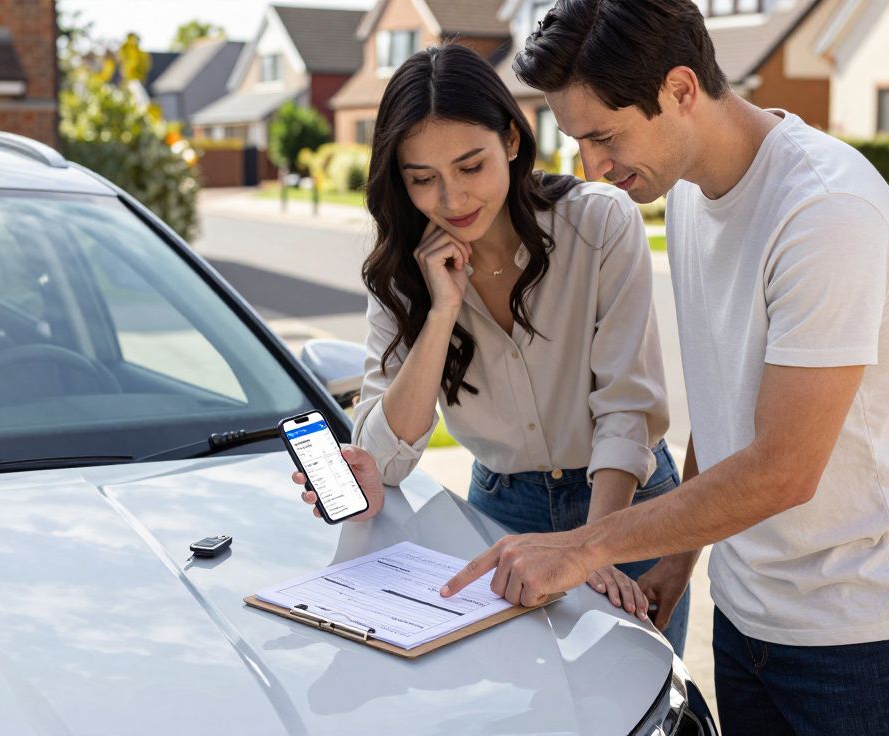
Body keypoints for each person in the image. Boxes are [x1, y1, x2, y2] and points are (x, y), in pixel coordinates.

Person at [345, 2, 889, 734]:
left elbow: (783, 469)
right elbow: (729, 405)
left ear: (679, 90)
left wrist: (586, 546)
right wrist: (681, 557)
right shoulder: (693, 200)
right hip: (749, 613)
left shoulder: (824, 211)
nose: (592, 167)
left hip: (862, 630)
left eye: (604, 136)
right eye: (577, 140)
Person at [292, 43, 690, 652]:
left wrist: (594, 546)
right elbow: (386, 461)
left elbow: (626, 410)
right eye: (423, 179)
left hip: (623, 503)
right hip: (502, 513)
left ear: (511, 139)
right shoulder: (401, 273)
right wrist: (441, 310)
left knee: (628, 702)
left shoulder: (599, 224)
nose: (452, 200)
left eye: (470, 166)